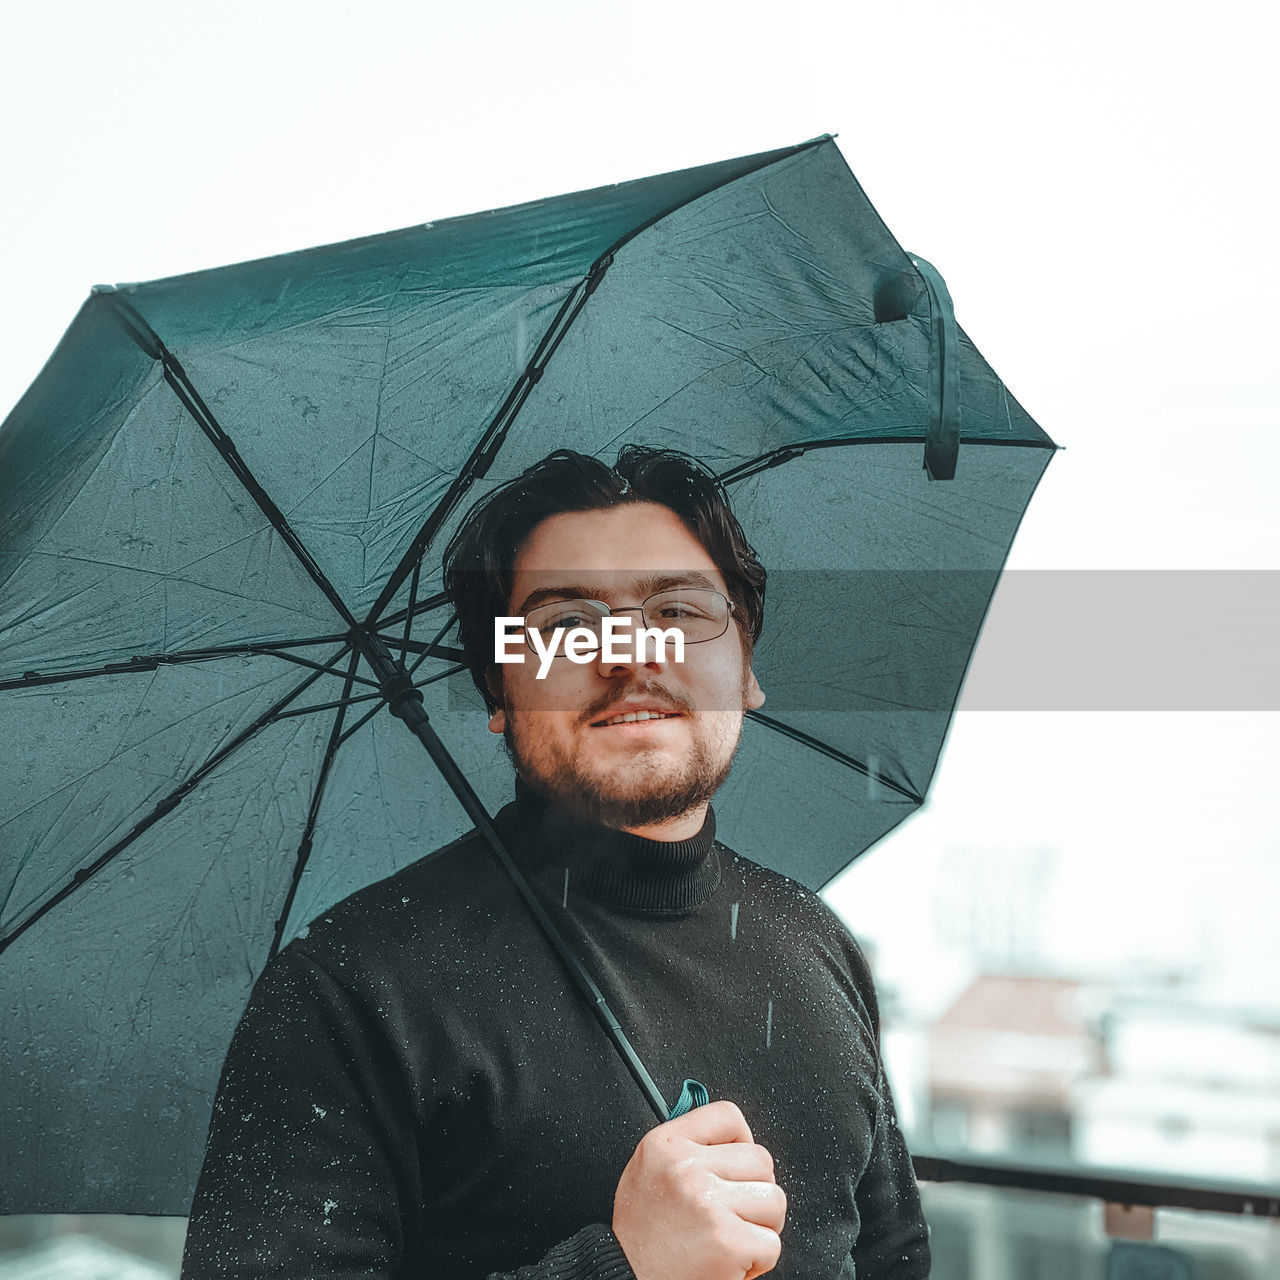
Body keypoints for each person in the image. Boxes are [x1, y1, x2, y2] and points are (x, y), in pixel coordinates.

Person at [181, 446, 931, 1279]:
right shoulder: (350, 989)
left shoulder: (812, 941)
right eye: (565, 626)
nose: (630, 656)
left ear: (746, 667)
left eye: (678, 611)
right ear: (501, 695)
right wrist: (622, 1263)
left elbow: (893, 1260)